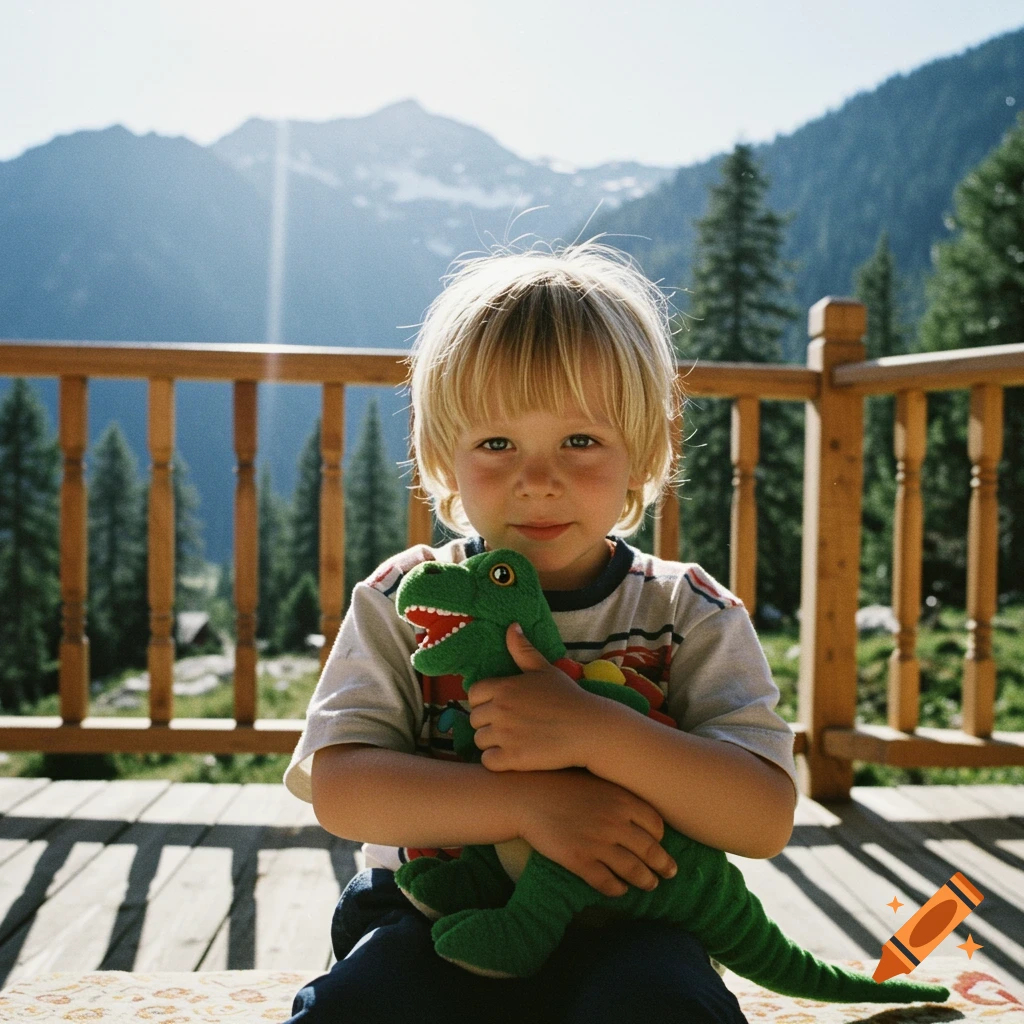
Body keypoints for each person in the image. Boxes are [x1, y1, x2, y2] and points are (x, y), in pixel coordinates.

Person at [280, 238, 798, 1024]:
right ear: (439, 454)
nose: (538, 478)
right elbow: (343, 789)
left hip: (633, 925)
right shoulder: (404, 597)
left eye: (580, 441)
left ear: (644, 449)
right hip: (431, 919)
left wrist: (598, 732)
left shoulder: (689, 612)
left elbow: (761, 818)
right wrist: (528, 808)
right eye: (496, 444)